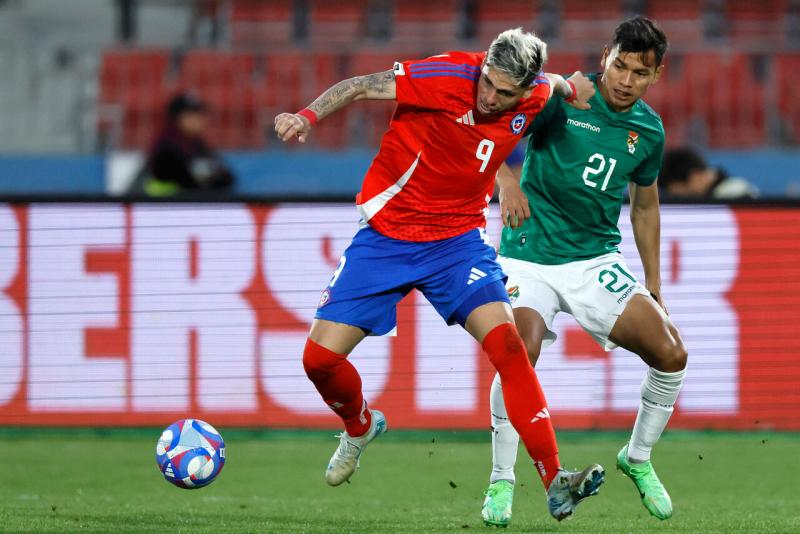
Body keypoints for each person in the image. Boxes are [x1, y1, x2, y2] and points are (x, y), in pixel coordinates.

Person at [274, 29, 603, 522]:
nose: (490, 96)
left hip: (456, 242)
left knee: (510, 348)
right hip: (387, 235)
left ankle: (555, 480)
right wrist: (305, 116)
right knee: (318, 360)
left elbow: (562, 85)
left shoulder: (537, 91)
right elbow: (362, 84)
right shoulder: (446, 74)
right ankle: (360, 426)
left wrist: (580, 88)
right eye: (487, 83)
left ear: (525, 88)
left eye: (503, 92)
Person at [480, 16, 687, 526]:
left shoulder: (648, 131)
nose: (625, 79)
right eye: (619, 65)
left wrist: (654, 284)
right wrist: (506, 180)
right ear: (604, 57)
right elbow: (485, 128)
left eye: (639, 73)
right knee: (517, 351)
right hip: (528, 251)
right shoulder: (563, 97)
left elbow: (644, 207)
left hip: (594, 259)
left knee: (671, 353)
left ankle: (636, 458)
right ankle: (501, 480)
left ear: (655, 75)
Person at [134, 93, 235, 197]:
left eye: (201, 114)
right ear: (178, 118)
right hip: (162, 208)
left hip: (186, 207)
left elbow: (227, 179)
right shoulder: (165, 149)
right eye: (194, 114)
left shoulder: (198, 145)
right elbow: (190, 184)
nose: (202, 119)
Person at [659, 146, 759, 199]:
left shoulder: (737, 195)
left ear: (694, 176)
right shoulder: (726, 192)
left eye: (676, 191)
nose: (677, 197)